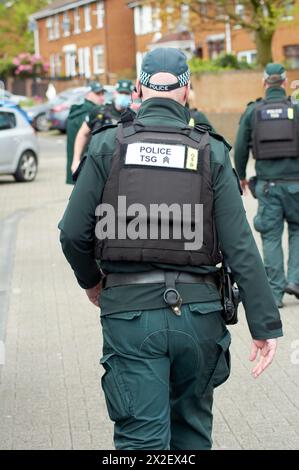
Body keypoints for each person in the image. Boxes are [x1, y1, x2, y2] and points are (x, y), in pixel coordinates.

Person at [59, 48, 283, 450]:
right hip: (199, 317)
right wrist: (264, 325)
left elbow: (73, 233)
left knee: (141, 441)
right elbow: (240, 246)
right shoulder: (210, 150)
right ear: (186, 91)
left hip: (129, 314)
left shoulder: (108, 145)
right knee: (192, 436)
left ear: (140, 89)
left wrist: (92, 282)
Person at [234, 63, 299, 308]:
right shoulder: (296, 108)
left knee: (271, 237)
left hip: (268, 187)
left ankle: (275, 294)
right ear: (284, 83)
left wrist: (240, 175)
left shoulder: (253, 111)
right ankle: (296, 279)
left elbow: (240, 147)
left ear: (264, 82)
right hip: (296, 185)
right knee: (297, 231)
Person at [65, 81, 105, 184]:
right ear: (88, 95)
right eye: (97, 94)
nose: (101, 97)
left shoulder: (77, 110)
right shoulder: (91, 113)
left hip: (76, 164)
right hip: (86, 165)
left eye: (102, 93)